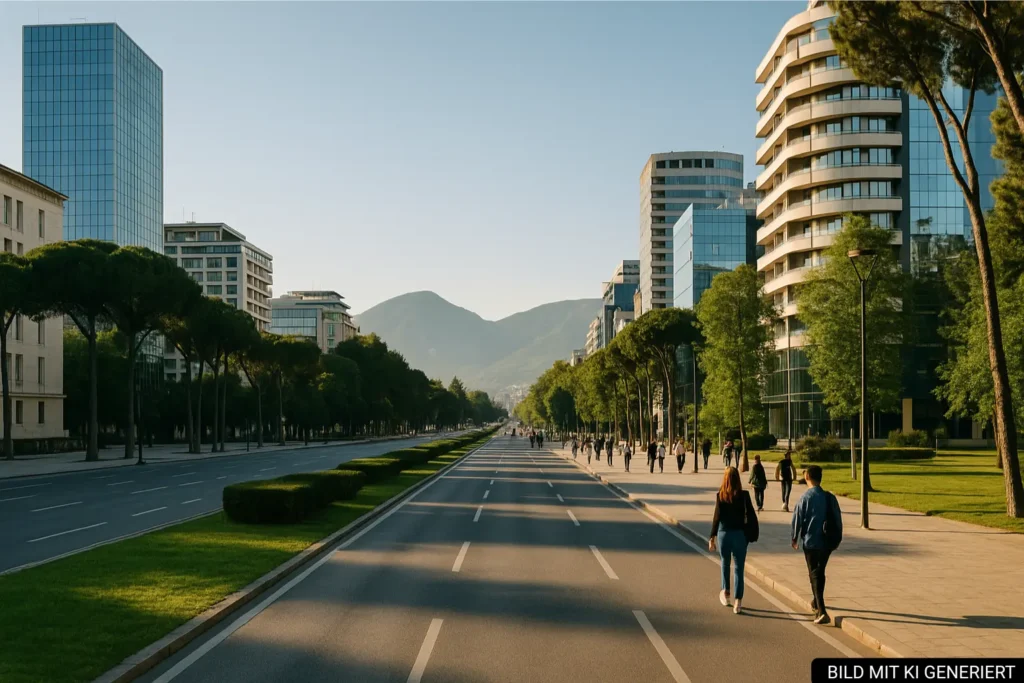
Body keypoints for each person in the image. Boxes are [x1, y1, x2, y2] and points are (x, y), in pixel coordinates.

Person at [791, 465, 843, 625]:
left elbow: (797, 518)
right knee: (819, 572)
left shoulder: (805, 497)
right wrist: (837, 538)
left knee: (814, 574)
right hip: (827, 542)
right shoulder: (829, 497)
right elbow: (838, 518)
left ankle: (822, 610)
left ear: (807, 477)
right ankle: (816, 600)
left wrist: (794, 537)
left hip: (811, 542)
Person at [708, 467, 758, 615]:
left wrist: (712, 537)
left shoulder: (721, 495)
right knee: (739, 568)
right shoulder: (744, 495)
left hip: (724, 534)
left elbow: (716, 517)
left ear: (725, 479)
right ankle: (738, 602)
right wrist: (749, 535)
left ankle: (726, 593)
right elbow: (751, 515)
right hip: (740, 535)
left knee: (725, 563)